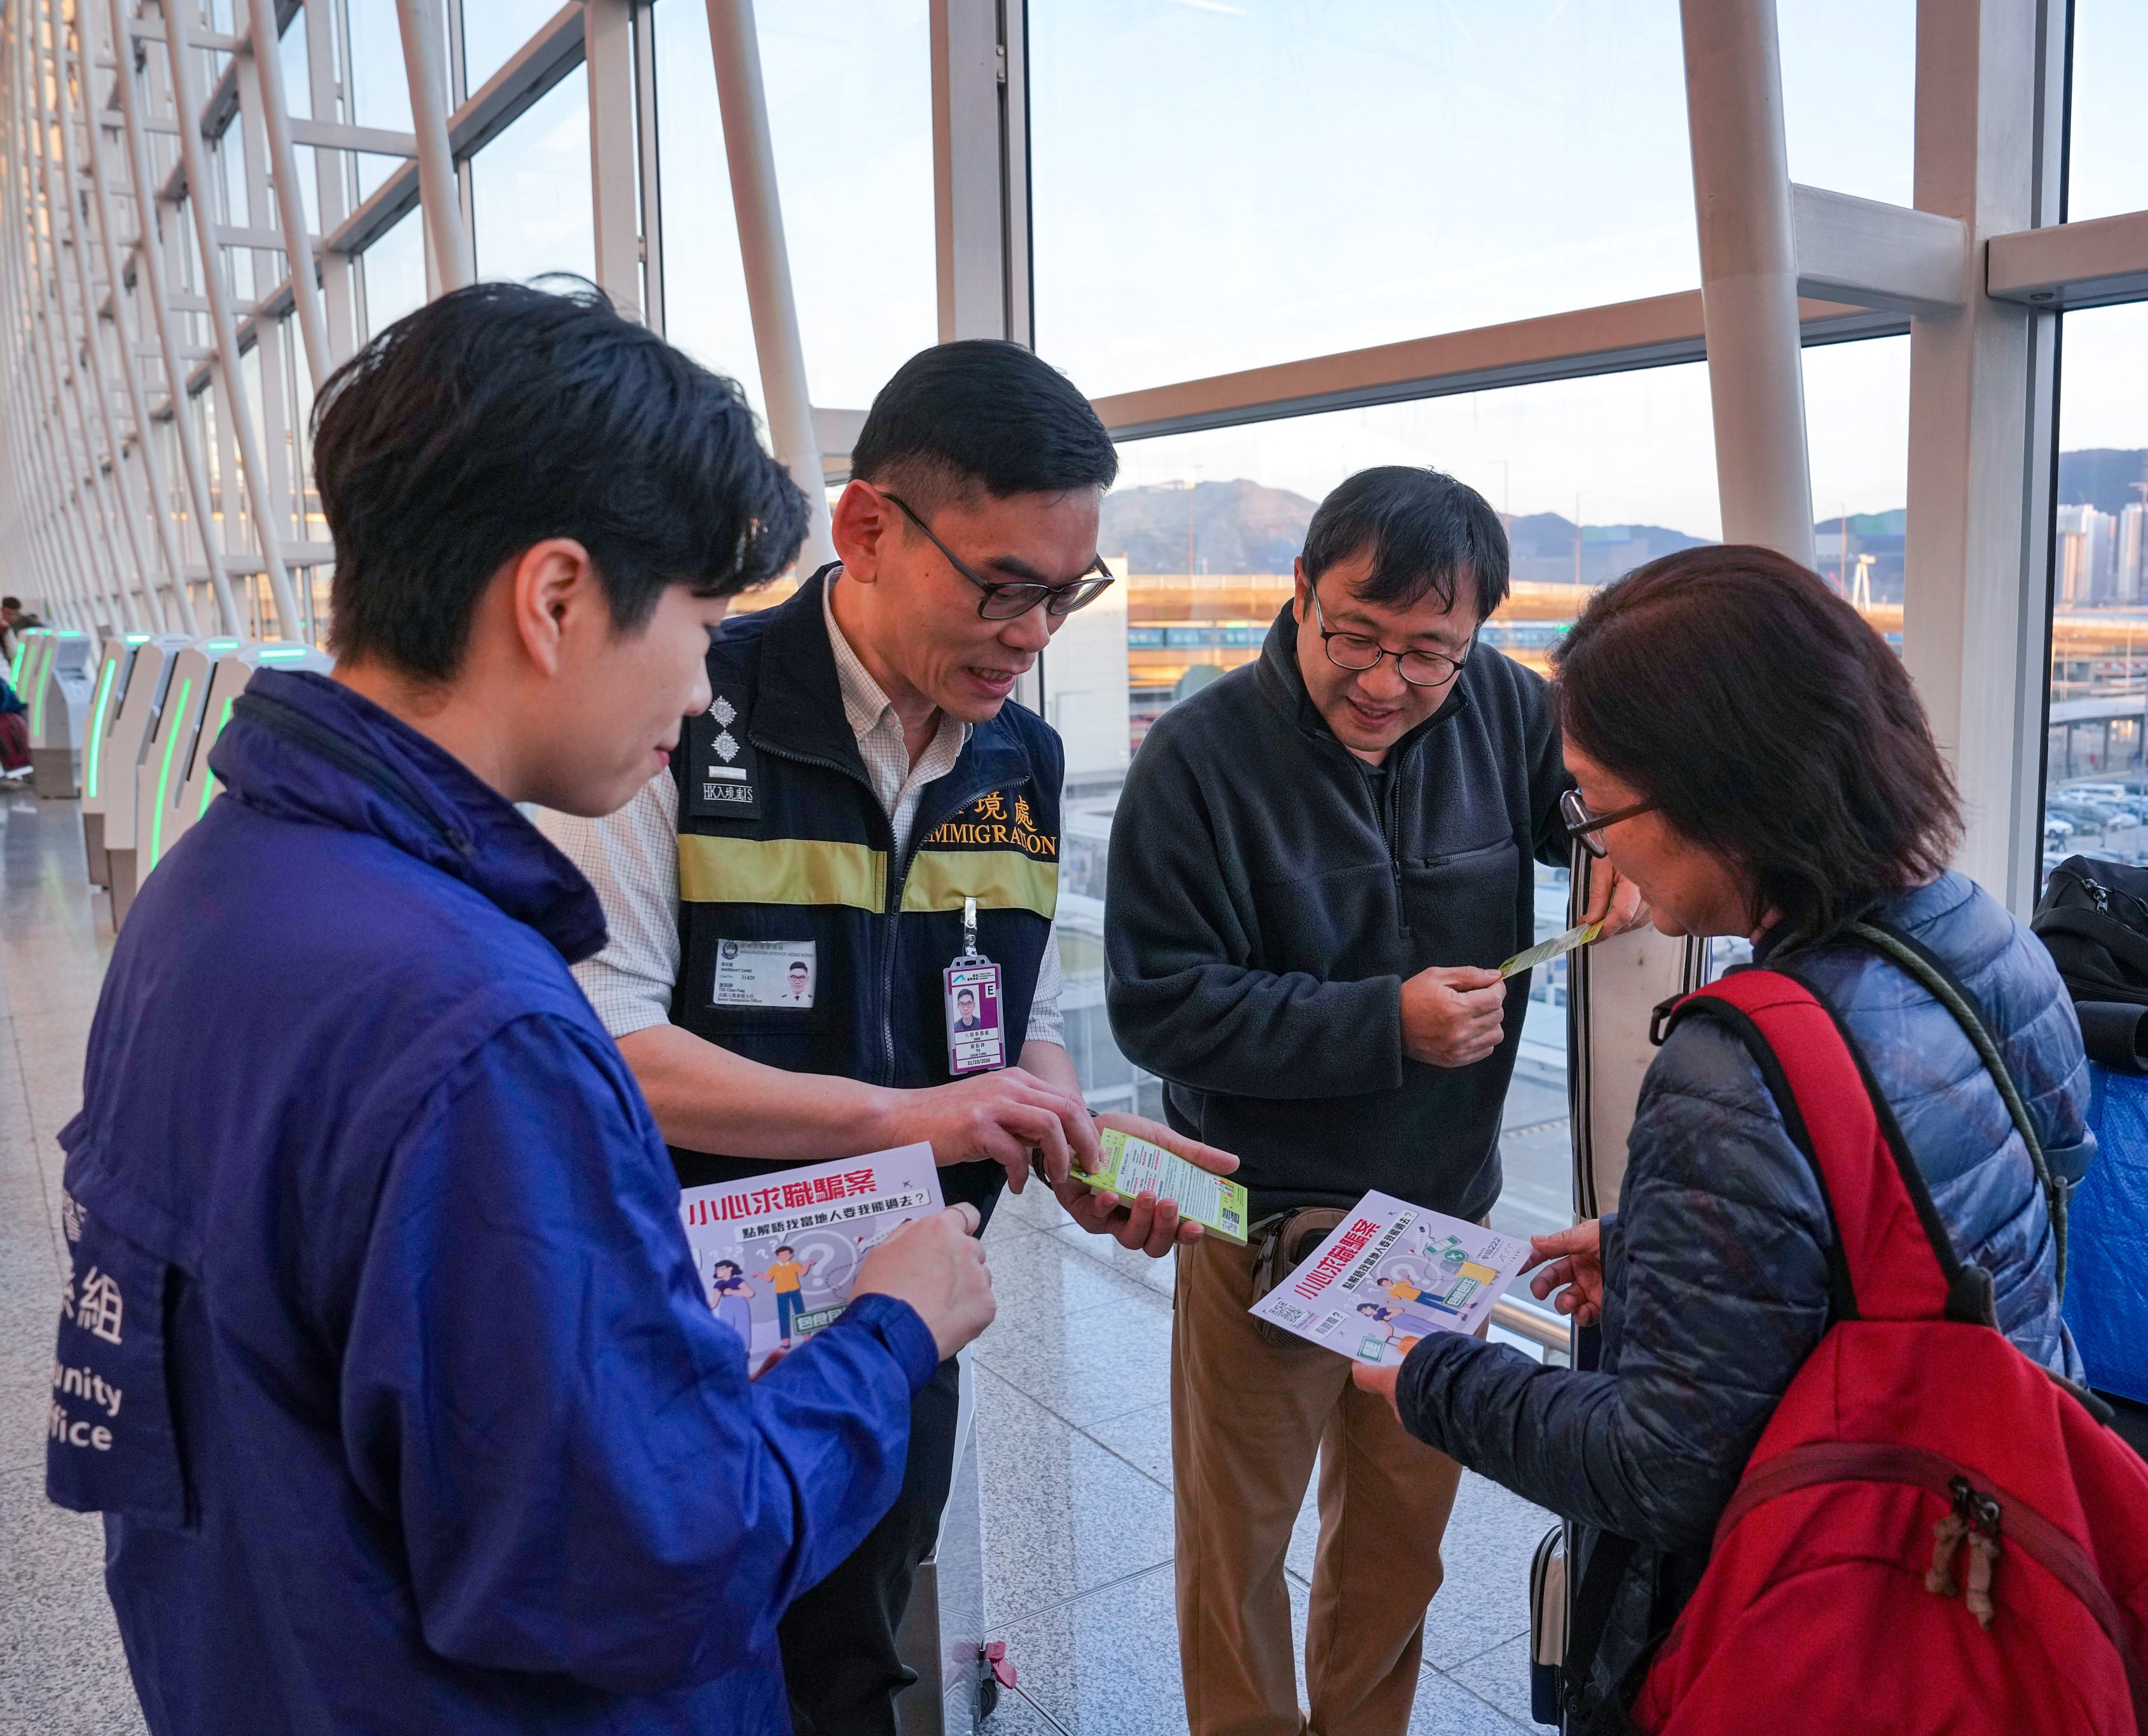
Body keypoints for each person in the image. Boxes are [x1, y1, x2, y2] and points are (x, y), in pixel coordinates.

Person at [45, 280, 1001, 1734]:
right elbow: (657, 1557)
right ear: (556, 599)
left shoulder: (212, 891)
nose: (696, 691)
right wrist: (889, 1329)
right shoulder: (477, 1029)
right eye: (695, 621)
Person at [537, 338, 1235, 1735]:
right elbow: (606, 1042)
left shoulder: (1016, 760)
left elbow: (1017, 1009)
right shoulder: (684, 708)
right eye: (1002, 588)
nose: (1032, 634)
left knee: (858, 1646)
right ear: (867, 527)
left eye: (1065, 595)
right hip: (689, 1315)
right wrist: (917, 1119)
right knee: (696, 1655)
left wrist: (1055, 1119)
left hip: (908, 1300)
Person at [1355, 545, 2089, 1723]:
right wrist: (1661, 1248)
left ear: (1722, 791)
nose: (1596, 844)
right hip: (1986, 1535)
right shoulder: (1987, 936)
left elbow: (1664, 1466)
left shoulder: (1736, 1059)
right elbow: (1952, 1229)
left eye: (1599, 801)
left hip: (1814, 1608)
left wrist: (1433, 1378)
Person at [1103, 465, 1640, 1736]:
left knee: (1398, 1547)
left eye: (1428, 653)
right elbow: (1155, 1008)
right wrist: (1380, 1024)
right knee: (1234, 1548)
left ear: (1476, 642)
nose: (1386, 681)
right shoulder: (1195, 759)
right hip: (1252, 1215)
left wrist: (1613, 835)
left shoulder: (1502, 709)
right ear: (1299, 593)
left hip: (1432, 1221)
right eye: (1356, 634)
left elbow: (1584, 799)